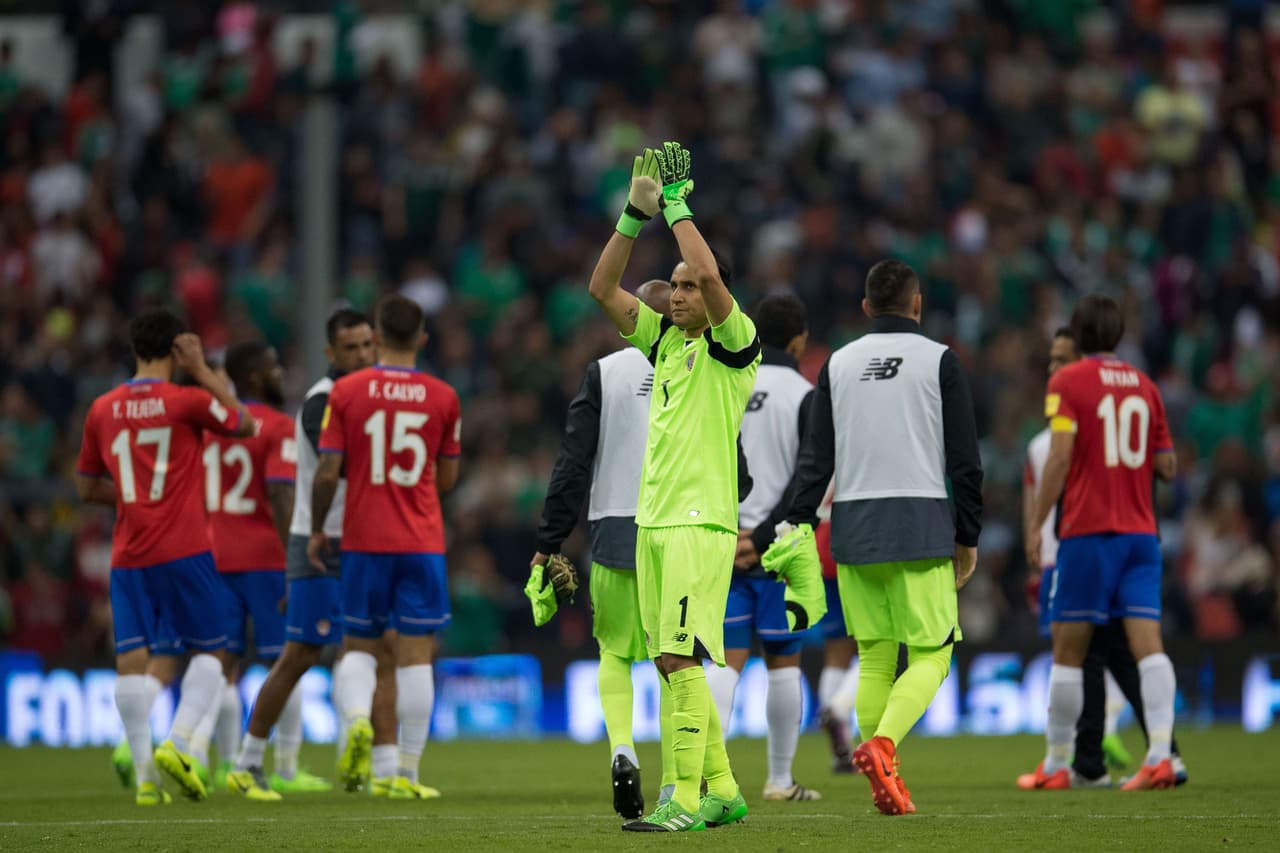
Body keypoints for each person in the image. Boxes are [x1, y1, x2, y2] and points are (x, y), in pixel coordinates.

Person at [774, 259, 984, 816]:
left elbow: (815, 460)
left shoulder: (838, 364)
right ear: (917, 305)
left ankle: (884, 779)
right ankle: (884, 748)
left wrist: (797, 521)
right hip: (920, 522)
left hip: (854, 526)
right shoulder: (941, 361)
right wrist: (969, 534)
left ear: (866, 308)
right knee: (934, 656)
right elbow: (965, 461)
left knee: (872, 658)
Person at [589, 142, 758, 832]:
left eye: (691, 286)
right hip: (653, 521)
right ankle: (720, 788)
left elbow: (715, 276)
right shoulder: (664, 343)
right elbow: (602, 290)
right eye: (676, 286)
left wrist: (680, 206)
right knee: (668, 663)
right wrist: (634, 213)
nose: (682, 292)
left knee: (676, 656)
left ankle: (682, 800)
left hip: (698, 521)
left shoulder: (733, 343)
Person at [76, 309, 255, 805]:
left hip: (128, 552)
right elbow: (245, 424)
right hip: (184, 549)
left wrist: (134, 501)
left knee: (133, 660)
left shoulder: (102, 408)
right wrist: (201, 372)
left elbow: (87, 486)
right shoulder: (185, 401)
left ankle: (146, 783)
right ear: (180, 348)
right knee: (213, 653)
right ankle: (177, 745)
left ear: (134, 348)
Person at [228, 309, 405, 801]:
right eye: (351, 348)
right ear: (331, 354)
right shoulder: (322, 401)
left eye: (369, 345)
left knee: (380, 648)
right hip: (319, 541)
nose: (364, 355)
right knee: (300, 654)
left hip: (366, 541)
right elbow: (340, 467)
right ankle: (246, 761)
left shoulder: (372, 395)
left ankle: (386, 769)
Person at [1022, 295, 1181, 791]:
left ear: (1081, 334)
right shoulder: (1146, 386)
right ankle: (1160, 756)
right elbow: (1167, 466)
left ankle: (1055, 764)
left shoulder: (1066, 382)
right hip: (1140, 536)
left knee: (1069, 651)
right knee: (1147, 648)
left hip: (1089, 533)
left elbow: (1060, 455)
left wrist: (1039, 518)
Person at [530, 280, 674, 819]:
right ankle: (676, 784)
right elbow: (733, 463)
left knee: (614, 651)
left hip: (613, 524)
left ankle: (621, 748)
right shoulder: (700, 365)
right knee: (675, 658)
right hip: (680, 527)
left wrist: (548, 543)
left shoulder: (605, 372)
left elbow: (572, 463)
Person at [311, 295, 461, 799]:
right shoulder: (443, 397)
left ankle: (356, 720)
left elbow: (328, 471)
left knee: (359, 648)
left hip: (363, 540)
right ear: (421, 339)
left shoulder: (347, 393)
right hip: (420, 542)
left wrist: (317, 528)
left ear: (376, 338)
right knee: (416, 655)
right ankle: (408, 775)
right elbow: (446, 478)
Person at [200, 341, 331, 794]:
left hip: (216, 553)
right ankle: (287, 767)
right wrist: (292, 555)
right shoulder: (275, 425)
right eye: (274, 366)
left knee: (223, 663)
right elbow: (279, 493)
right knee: (290, 658)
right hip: (265, 556)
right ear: (255, 377)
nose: (280, 372)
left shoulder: (212, 428)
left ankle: (209, 760)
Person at [710, 292, 822, 802]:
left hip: (719, 542)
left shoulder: (727, 382)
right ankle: (779, 780)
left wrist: (731, 533)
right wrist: (763, 535)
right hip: (777, 546)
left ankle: (708, 778)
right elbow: (811, 477)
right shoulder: (804, 394)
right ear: (799, 341)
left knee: (724, 662)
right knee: (783, 657)